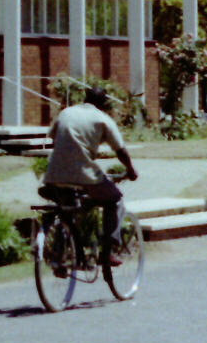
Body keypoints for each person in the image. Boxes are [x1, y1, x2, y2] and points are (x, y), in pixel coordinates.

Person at [42, 86, 138, 264]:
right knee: (114, 199)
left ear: (85, 98)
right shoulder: (103, 119)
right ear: (104, 103)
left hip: (54, 174)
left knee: (69, 210)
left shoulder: (66, 113)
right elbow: (120, 150)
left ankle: (61, 254)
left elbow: (54, 138)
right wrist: (131, 170)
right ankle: (108, 250)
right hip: (84, 174)